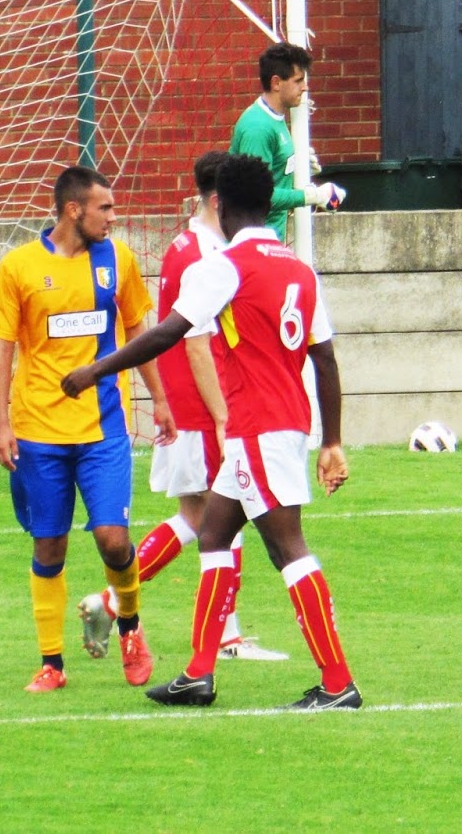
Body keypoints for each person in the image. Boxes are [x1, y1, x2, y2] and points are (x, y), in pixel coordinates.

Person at [62, 154, 359, 710]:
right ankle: (198, 674)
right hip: (276, 426)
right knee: (214, 533)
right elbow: (325, 358)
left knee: (288, 549)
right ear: (268, 205)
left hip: (259, 430)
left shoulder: (224, 266)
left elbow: (167, 333)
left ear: (220, 207)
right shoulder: (299, 269)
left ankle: (338, 683)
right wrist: (332, 441)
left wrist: (95, 370)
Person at [75, 152, 287, 664]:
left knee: (196, 516)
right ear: (219, 200)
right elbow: (196, 343)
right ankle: (227, 637)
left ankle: (109, 601)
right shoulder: (207, 255)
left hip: (188, 403)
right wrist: (222, 415)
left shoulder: (185, 245)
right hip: (204, 404)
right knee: (228, 512)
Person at [0, 164, 170, 693]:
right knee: (49, 547)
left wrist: (160, 399)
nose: (113, 217)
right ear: (73, 210)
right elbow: (0, 347)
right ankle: (52, 664)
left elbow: (138, 330)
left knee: (113, 539)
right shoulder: (19, 267)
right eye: (104, 208)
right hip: (38, 430)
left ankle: (130, 627)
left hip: (103, 428)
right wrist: (2, 424)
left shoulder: (118, 260)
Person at [229, 41, 345, 241]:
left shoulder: (274, 118)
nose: (305, 87)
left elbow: (271, 176)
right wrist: (312, 196)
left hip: (269, 240)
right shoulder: (258, 128)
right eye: (298, 81)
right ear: (276, 83)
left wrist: (296, 168)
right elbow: (256, 194)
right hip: (254, 244)